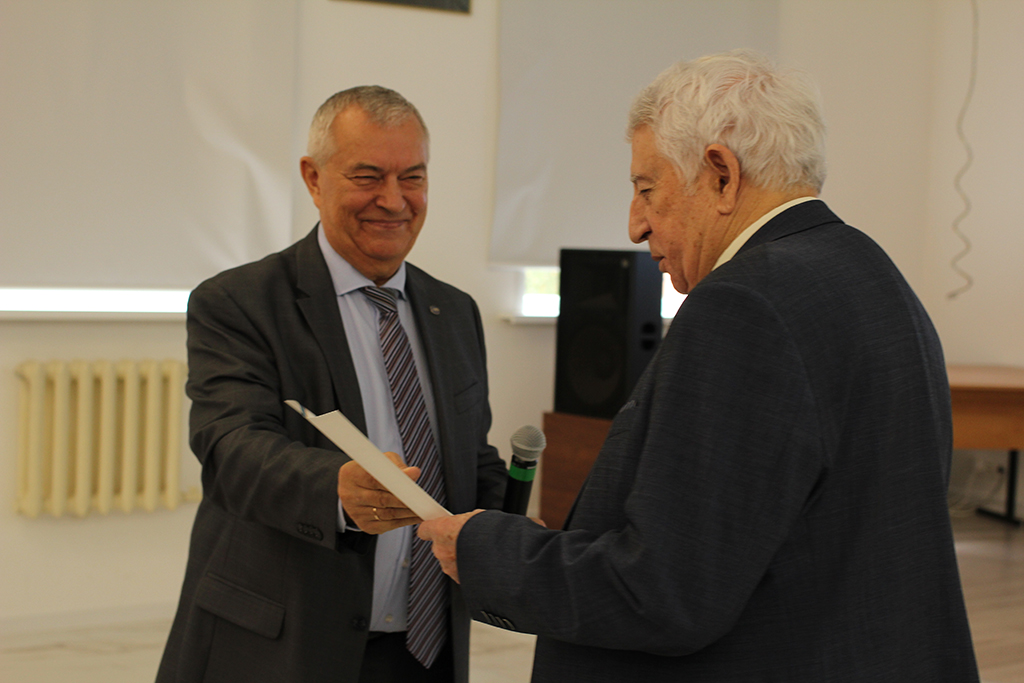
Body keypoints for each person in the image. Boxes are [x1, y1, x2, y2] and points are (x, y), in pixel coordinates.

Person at [419, 50, 980, 681]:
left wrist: (488, 550)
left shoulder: (744, 306)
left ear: (721, 175)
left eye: (646, 189)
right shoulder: (871, 273)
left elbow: (663, 593)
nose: (635, 226)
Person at [157, 86, 507, 683]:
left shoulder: (455, 311)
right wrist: (337, 491)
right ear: (314, 178)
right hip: (284, 647)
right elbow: (230, 448)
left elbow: (469, 458)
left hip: (427, 647)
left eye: (412, 177)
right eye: (368, 177)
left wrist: (524, 534)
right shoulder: (239, 302)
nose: (393, 200)